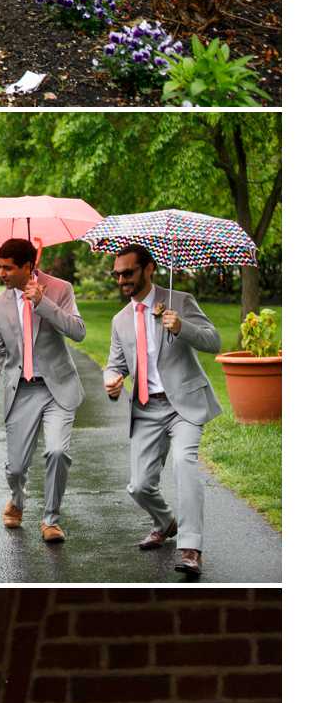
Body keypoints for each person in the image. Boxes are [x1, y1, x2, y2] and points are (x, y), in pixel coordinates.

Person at [101, 241, 220, 575]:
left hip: (184, 404)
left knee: (184, 463)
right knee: (139, 486)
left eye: (128, 273)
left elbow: (214, 341)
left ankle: (191, 548)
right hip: (147, 408)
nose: (122, 280)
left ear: (149, 269)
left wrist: (182, 327)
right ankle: (166, 522)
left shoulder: (180, 302)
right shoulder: (120, 319)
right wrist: (112, 380)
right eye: (117, 275)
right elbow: (115, 364)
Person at [0, 245, 88, 546]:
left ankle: (51, 519)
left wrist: (43, 302)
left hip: (57, 389)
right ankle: (17, 499)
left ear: (28, 266)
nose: (1, 273)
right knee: (16, 468)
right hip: (21, 391)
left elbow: (78, 332)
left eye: (7, 267)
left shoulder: (60, 289)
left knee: (57, 452)